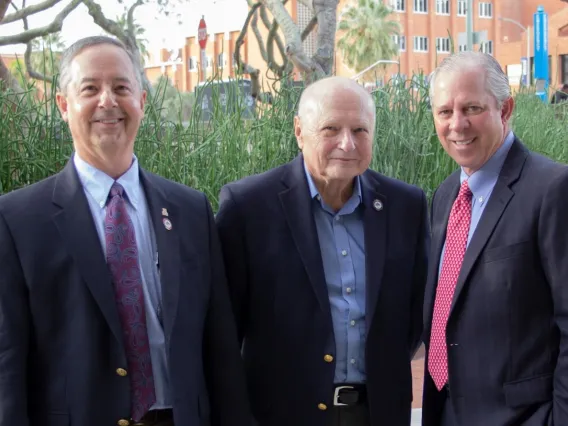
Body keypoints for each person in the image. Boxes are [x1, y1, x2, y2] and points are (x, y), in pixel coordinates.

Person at [0, 36, 250, 426]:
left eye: (121, 87)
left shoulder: (190, 210)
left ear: (142, 103)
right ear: (64, 105)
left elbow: (218, 344)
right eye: (90, 89)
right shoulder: (17, 220)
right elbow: (8, 359)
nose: (107, 101)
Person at [215, 76, 429, 426]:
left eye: (360, 130)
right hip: (282, 414)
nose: (347, 143)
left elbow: (413, 316)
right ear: (299, 131)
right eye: (330, 129)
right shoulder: (248, 208)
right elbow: (225, 331)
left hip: (378, 412)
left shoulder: (405, 206)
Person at [422, 51, 568, 425]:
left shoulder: (552, 189)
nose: (457, 125)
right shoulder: (444, 196)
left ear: (505, 109)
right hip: (446, 411)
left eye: (471, 108)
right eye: (444, 112)